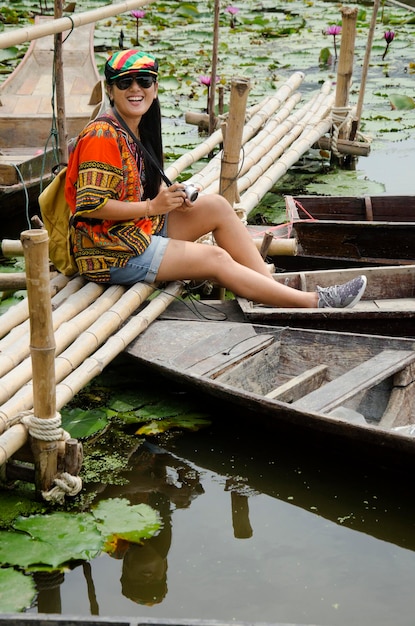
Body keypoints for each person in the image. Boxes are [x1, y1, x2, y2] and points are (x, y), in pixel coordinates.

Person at [65, 49, 367, 309]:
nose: (135, 89)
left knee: (219, 207)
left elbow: (139, 187)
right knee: (215, 259)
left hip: (135, 231)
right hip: (109, 251)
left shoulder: (135, 127)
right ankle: (314, 303)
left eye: (144, 81)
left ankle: (268, 286)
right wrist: (151, 208)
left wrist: (172, 198)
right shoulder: (102, 135)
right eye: (125, 82)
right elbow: (90, 206)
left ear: (155, 87)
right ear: (111, 90)